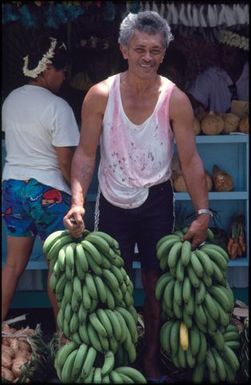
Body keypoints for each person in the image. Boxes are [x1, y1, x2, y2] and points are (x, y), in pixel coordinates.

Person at [64, 11, 211, 382]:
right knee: (113, 284)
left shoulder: (174, 99)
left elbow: (191, 160)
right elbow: (85, 153)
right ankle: (119, 357)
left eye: (156, 50)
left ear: (164, 54)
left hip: (157, 198)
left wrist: (203, 211)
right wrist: (78, 202)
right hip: (112, 198)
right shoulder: (100, 95)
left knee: (155, 282)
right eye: (140, 49)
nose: (148, 57)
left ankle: (149, 358)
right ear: (124, 50)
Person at [1, 36, 80, 322]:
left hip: (13, 187)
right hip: (48, 192)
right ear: (48, 70)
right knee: (56, 267)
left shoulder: (10, 100)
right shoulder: (58, 107)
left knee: (13, 264)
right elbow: (64, 162)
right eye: (62, 72)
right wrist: (77, 199)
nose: (63, 78)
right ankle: (64, 337)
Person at [187, 29, 249, 114]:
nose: (223, 58)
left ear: (241, 55)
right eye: (221, 53)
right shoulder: (211, 76)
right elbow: (189, 101)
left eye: (228, 53)